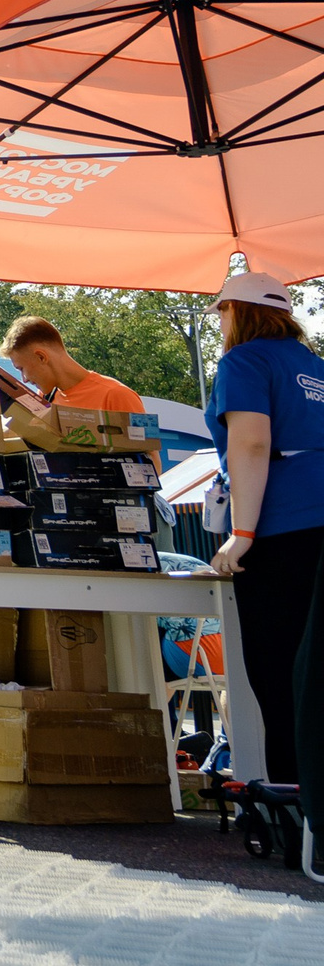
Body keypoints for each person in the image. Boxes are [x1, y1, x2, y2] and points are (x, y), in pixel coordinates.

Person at [205, 272, 324, 790]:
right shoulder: (314, 366)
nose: (220, 324)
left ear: (236, 311)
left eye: (221, 313)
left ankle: (302, 816)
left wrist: (242, 532)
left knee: (281, 677)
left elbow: (251, 444)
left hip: (285, 531)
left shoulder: (245, 360)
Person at [0, 314, 144, 419]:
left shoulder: (116, 395)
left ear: (41, 357)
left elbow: (150, 458)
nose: (24, 379)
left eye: (21, 369)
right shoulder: (45, 398)